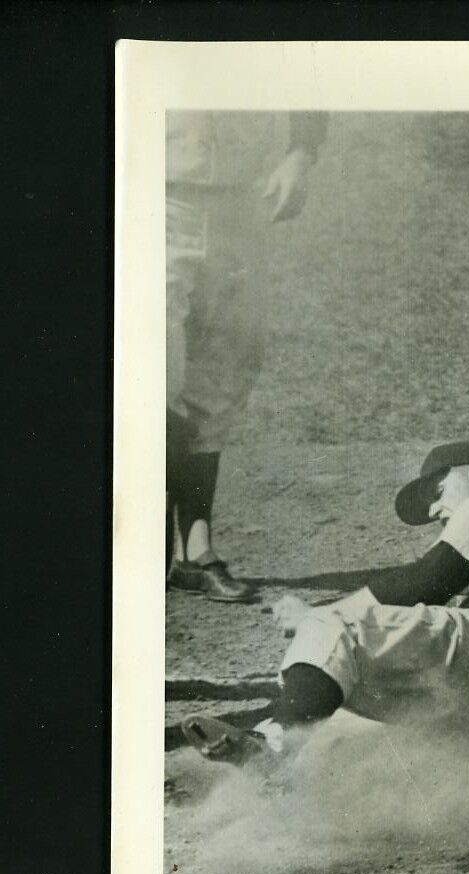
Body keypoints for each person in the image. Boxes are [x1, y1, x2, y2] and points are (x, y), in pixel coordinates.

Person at [181, 442, 469, 765]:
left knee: (337, 628)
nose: (433, 510)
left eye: (438, 490)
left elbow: (433, 579)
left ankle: (272, 742)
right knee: (341, 714)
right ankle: (261, 758)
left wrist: (322, 613)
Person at [166, 111, 329, 602]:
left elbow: (307, 61)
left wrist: (301, 151)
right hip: (157, 195)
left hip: (241, 206)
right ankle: (133, 551)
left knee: (218, 379)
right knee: (151, 373)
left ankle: (196, 553)